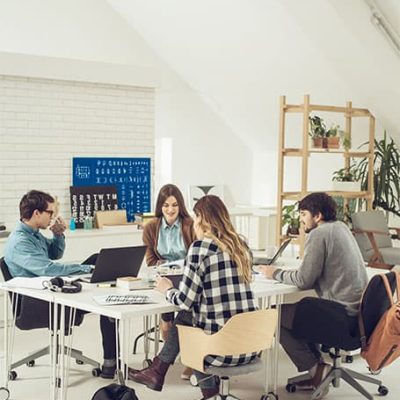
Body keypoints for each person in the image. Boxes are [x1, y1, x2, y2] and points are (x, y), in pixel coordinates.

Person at [128, 195, 258, 399]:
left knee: (188, 322)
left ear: (200, 218)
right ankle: (162, 373)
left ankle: (162, 372)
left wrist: (167, 289)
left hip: (221, 349)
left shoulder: (200, 248)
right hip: (250, 344)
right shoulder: (241, 245)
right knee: (191, 320)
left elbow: (185, 302)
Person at [259, 192, 368, 397]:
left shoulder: (319, 234)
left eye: (303, 213)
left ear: (317, 216)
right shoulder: (341, 227)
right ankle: (318, 368)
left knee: (274, 316)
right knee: (301, 311)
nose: (301, 219)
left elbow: (303, 280)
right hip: (359, 316)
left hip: (342, 317)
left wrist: (275, 272)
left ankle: (316, 369)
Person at [4, 190, 117, 379]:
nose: (53, 217)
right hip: (37, 302)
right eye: (50, 212)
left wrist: (58, 235)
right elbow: (48, 269)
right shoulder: (19, 242)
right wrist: (85, 269)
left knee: (99, 262)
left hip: (51, 289)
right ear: (36, 213)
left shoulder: (33, 233)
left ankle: (111, 360)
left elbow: (55, 255)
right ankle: (111, 362)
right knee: (102, 289)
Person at [142, 184, 196, 379]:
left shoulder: (190, 225)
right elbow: (151, 260)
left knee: (187, 321)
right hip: (164, 278)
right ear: (160, 206)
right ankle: (171, 357)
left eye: (174, 205)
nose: (170, 210)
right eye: (166, 205)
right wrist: (167, 267)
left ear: (180, 205)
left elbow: (195, 256)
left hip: (189, 278)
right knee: (166, 326)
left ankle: (192, 363)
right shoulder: (151, 227)